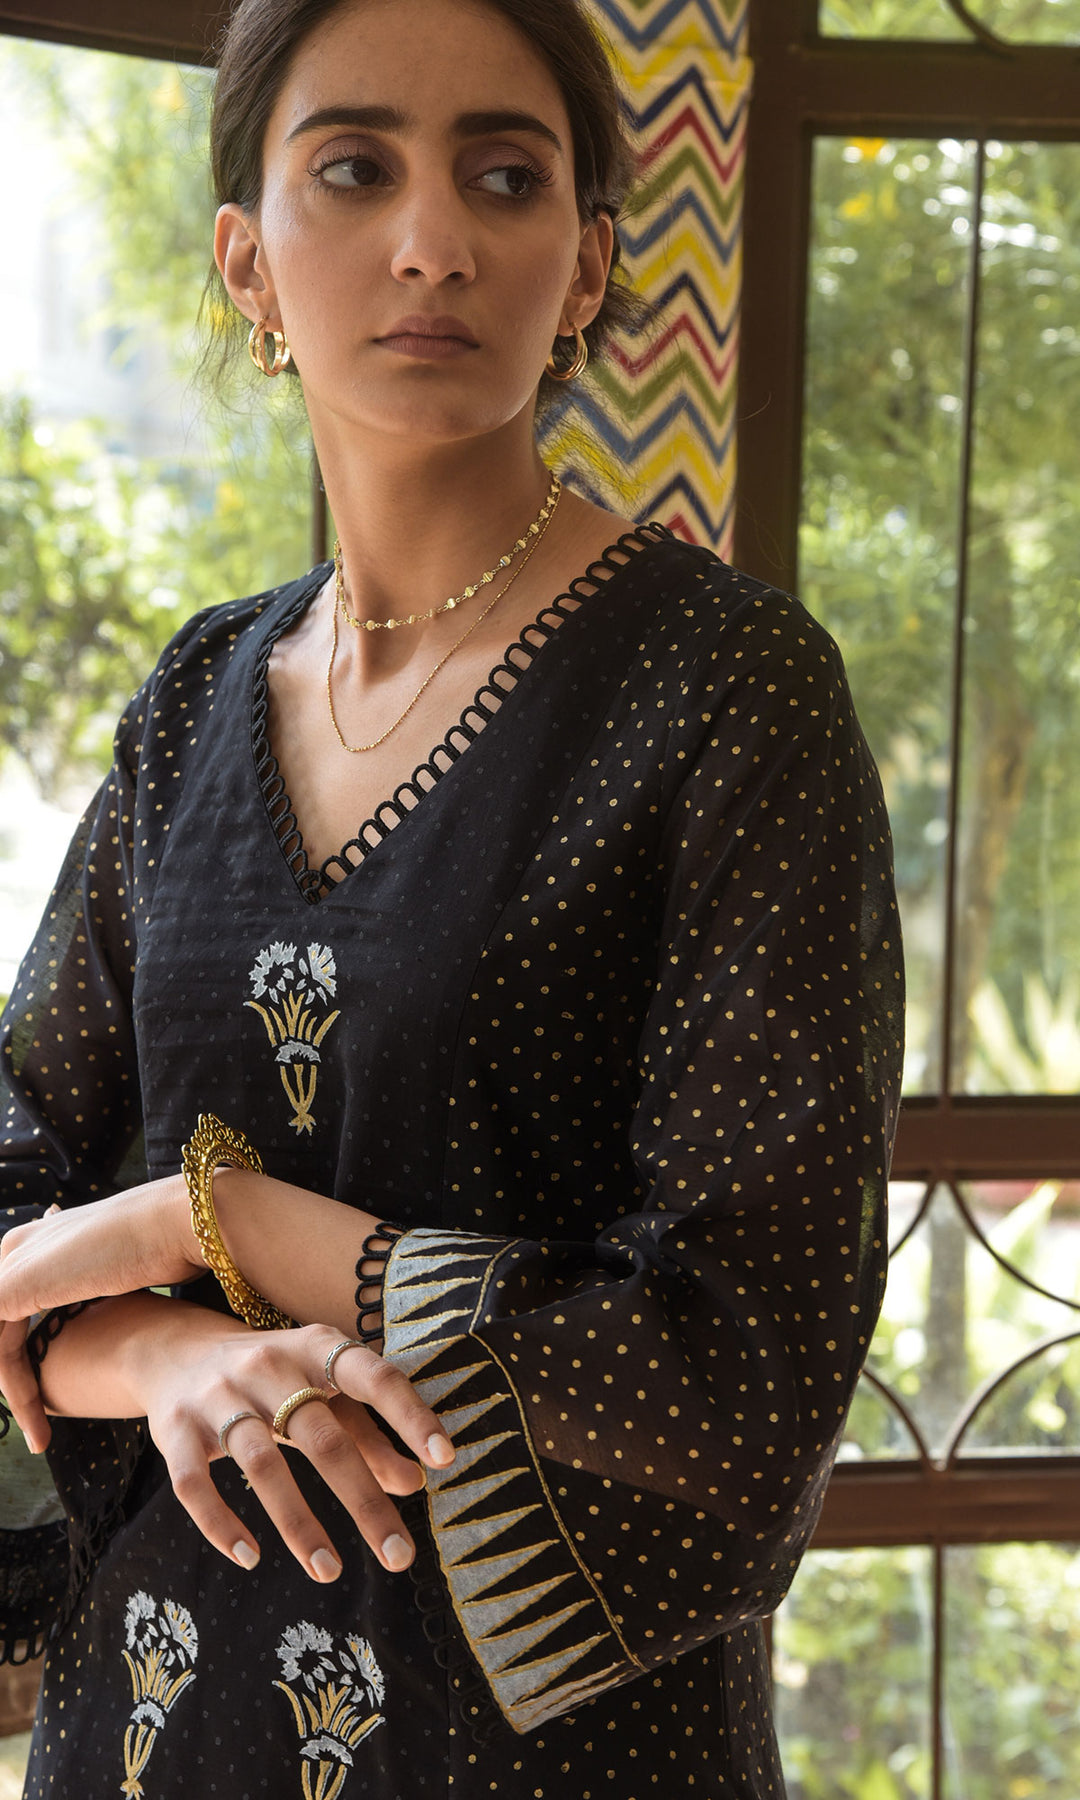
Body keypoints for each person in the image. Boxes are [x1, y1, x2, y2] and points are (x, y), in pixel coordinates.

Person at [0, 0, 903, 1793]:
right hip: (154, 1720)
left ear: (587, 266)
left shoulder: (729, 693)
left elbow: (744, 1373)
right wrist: (167, 1352)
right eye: (354, 170)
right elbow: (20, 1184)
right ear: (248, 265)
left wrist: (220, 1222)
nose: (434, 241)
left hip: (541, 1751)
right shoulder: (197, 699)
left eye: (505, 176)